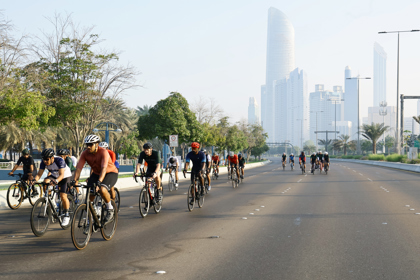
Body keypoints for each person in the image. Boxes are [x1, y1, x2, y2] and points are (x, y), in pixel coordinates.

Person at [74, 135, 118, 225]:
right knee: (90, 196)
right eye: (87, 145)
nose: (88, 147)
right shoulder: (85, 153)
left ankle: (110, 209)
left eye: (91, 144)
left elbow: (104, 168)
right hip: (96, 173)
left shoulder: (103, 152)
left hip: (110, 173)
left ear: (97, 144)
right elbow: (79, 168)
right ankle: (93, 213)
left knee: (102, 189)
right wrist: (75, 181)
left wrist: (99, 182)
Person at [34, 148, 73, 226]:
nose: (45, 161)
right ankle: (51, 201)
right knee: (45, 181)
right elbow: (39, 174)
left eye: (46, 159)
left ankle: (66, 215)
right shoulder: (44, 162)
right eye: (43, 159)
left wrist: (56, 181)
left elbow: (61, 175)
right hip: (54, 175)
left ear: (52, 158)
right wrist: (34, 180)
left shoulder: (59, 160)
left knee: (63, 195)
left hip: (65, 176)